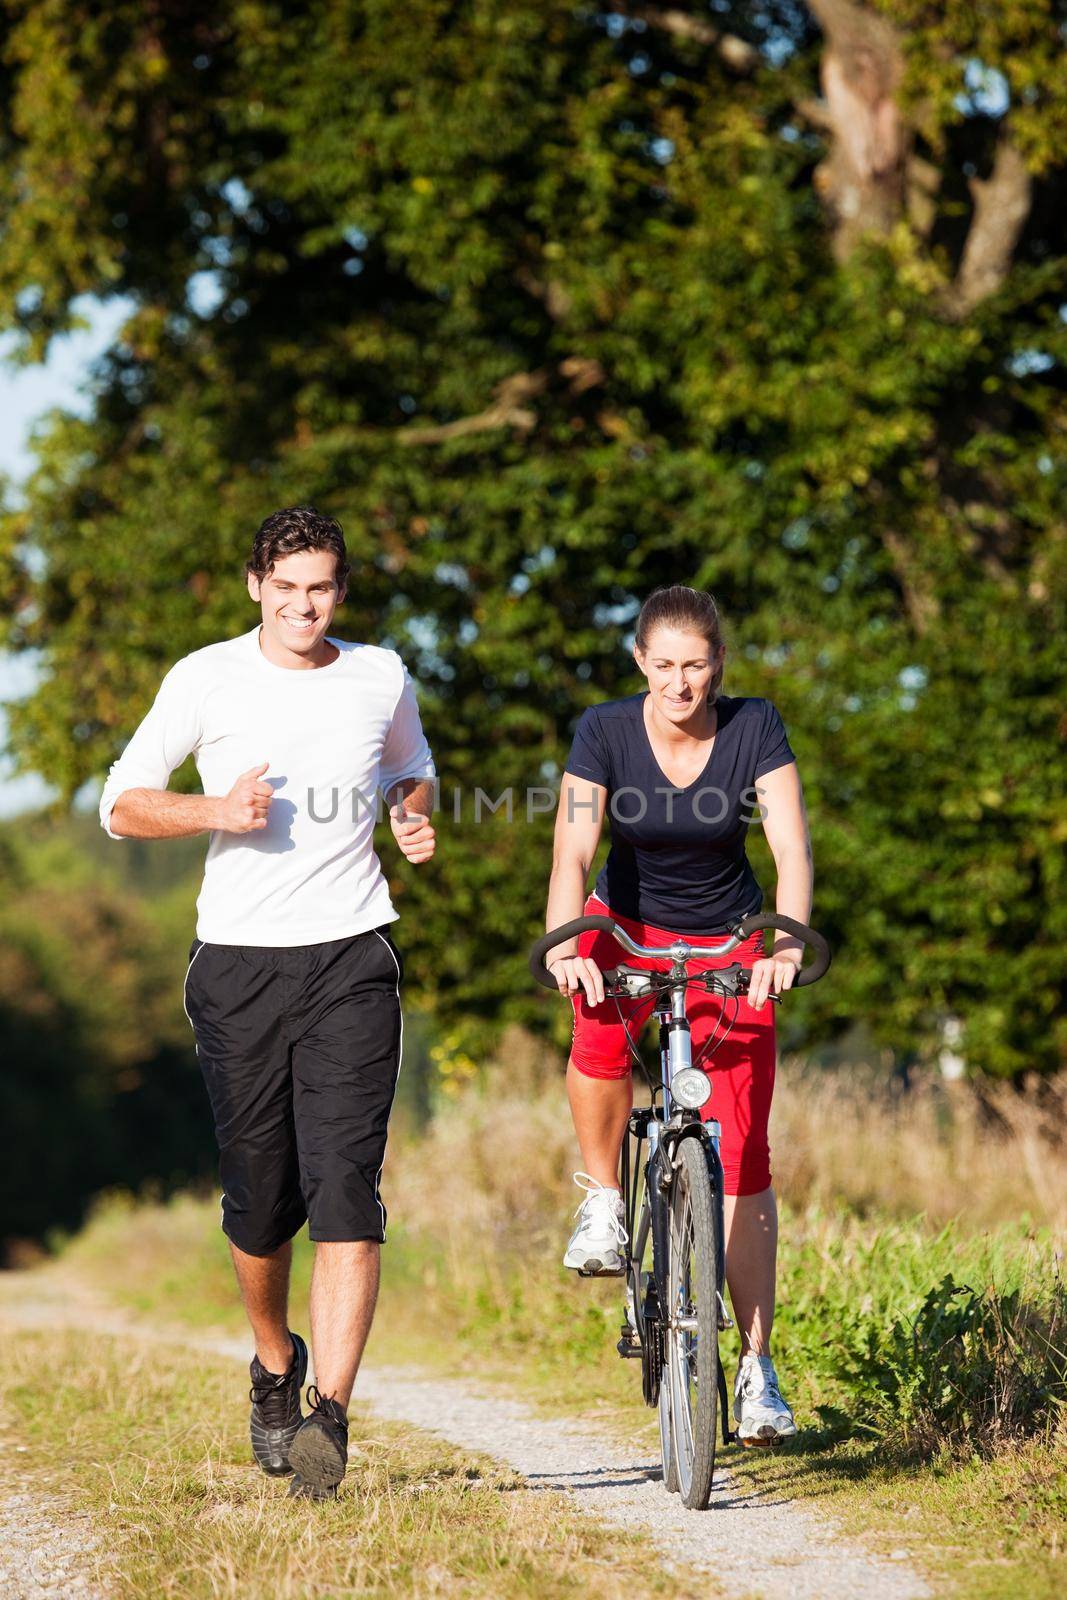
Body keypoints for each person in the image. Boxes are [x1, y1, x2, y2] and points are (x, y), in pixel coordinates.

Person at [98, 505, 436, 1499]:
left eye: (319, 588)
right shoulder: (205, 677)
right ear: (256, 585)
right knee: (259, 1205)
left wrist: (410, 817)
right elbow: (121, 802)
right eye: (284, 587)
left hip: (350, 959)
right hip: (239, 963)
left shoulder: (379, 674)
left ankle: (328, 1419)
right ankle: (274, 1364)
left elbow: (408, 769)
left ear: (339, 591)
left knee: (347, 1194)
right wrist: (215, 810)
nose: (301, 605)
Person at [543, 584, 812, 1444]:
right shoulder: (605, 730)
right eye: (662, 666)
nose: (679, 684)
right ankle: (602, 1201)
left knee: (745, 1153)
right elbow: (573, 845)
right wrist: (566, 941)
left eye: (695, 665)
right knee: (593, 1013)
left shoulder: (754, 726)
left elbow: (790, 846)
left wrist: (785, 944)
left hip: (732, 935)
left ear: (718, 665)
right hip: (623, 924)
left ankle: (757, 1368)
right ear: (639, 664)